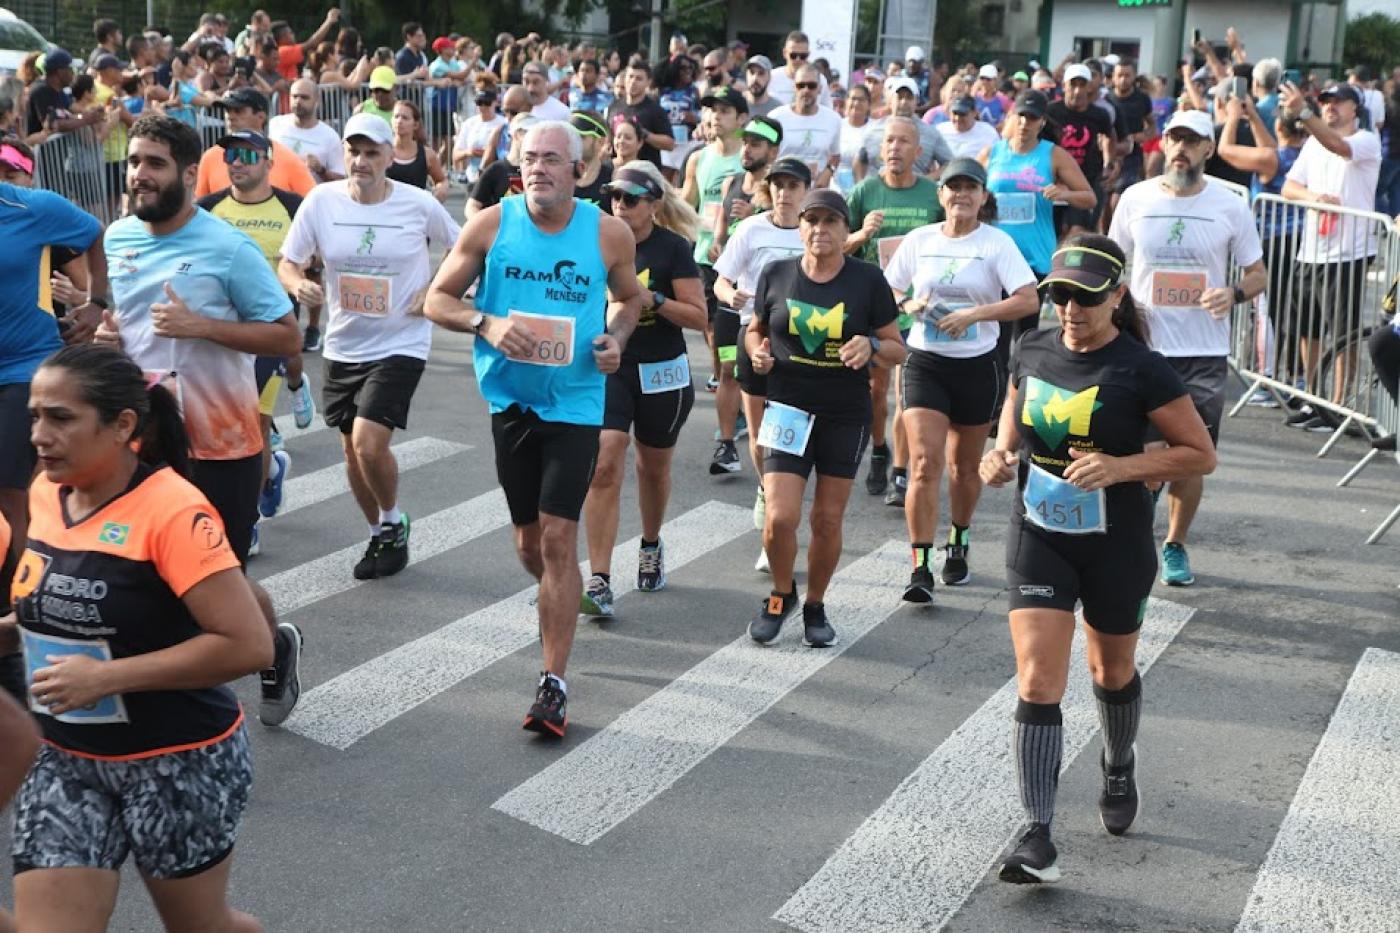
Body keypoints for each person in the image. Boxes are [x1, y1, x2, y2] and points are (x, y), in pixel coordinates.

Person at [5, 343, 271, 931]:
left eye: (61, 418)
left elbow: (248, 644)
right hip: (66, 759)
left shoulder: (173, 510)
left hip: (177, 760)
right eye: (34, 416)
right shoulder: (48, 491)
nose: (39, 435)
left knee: (201, 927)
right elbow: (48, 609)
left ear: (123, 424)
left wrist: (105, 678)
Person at [980, 236, 1216, 885]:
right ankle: (1037, 830)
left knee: (1111, 670)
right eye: (1060, 296)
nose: (1070, 310)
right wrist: (997, 454)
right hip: (1040, 530)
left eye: (1085, 298)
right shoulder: (1030, 345)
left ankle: (1117, 762)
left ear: (1116, 296)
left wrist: (1123, 466)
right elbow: (1014, 405)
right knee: (1037, 678)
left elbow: (1199, 453)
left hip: (1117, 541)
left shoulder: (1142, 368)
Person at [425, 121, 645, 737]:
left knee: (556, 540)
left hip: (575, 405)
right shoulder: (492, 224)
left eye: (553, 159)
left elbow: (629, 301)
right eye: (530, 160)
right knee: (531, 548)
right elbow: (435, 299)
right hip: (511, 405)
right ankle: (558, 599)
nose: (540, 169)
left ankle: (553, 683)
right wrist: (484, 323)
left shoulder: (608, 233)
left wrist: (616, 339)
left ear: (580, 170)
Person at [278, 113, 458, 582]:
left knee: (368, 441)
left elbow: (464, 250)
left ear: (387, 158)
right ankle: (380, 529)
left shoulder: (417, 205)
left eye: (371, 152)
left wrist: (435, 287)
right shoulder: (320, 201)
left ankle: (394, 519)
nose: (361, 161)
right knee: (350, 452)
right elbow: (289, 262)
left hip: (403, 339)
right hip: (344, 341)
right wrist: (300, 286)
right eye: (353, 152)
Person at [1109, 109, 1266, 586]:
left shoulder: (1230, 205)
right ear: (1163, 144)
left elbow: (1258, 274)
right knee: (1137, 447)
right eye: (1174, 138)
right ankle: (1132, 535)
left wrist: (1233, 293)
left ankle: (1174, 543)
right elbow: (1113, 264)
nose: (1179, 147)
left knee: (1191, 454)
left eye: (1191, 140)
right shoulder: (1135, 198)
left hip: (1202, 352)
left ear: (1207, 150)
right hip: (1143, 346)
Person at [744, 188, 905, 645]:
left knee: (827, 520)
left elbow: (898, 348)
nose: (820, 229)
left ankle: (814, 603)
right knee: (779, 517)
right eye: (811, 220)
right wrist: (757, 352)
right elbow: (757, 328)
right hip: (788, 408)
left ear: (844, 229)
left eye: (830, 221)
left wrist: (871, 346)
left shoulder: (867, 280)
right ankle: (780, 594)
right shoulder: (776, 273)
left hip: (843, 413)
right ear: (800, 228)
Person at [883, 157, 1039, 601]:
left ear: (983, 197)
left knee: (962, 468)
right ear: (941, 195)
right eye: (954, 188)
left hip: (977, 363)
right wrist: (909, 305)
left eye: (971, 188)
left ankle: (959, 538)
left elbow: (1028, 300)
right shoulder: (920, 240)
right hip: (926, 361)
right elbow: (888, 288)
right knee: (923, 464)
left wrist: (975, 313)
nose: (961, 195)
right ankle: (920, 567)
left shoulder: (997, 243)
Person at [579, 162, 706, 616]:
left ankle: (650, 543)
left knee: (652, 468)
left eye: (631, 199)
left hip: (662, 371)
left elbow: (698, 316)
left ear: (653, 205)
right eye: (614, 196)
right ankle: (599, 577)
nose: (620, 205)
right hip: (612, 366)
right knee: (605, 460)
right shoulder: (596, 241)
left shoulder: (673, 249)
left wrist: (653, 298)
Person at [197, 130, 315, 557]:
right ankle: (270, 473)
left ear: (268, 161)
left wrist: (306, 284)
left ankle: (245, 521)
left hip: (268, 329)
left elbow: (311, 257)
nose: (236, 162)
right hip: (217, 332)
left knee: (254, 424)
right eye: (229, 154)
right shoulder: (207, 209)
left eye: (246, 155)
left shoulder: (292, 207)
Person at [0, 157, 105, 596]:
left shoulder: (30, 207)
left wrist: (97, 302)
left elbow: (96, 234)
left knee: (9, 500)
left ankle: (14, 609)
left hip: (26, 370)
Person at [844, 117, 945, 501]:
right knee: (875, 390)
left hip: (915, 308)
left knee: (905, 394)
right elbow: (836, 248)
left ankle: (901, 472)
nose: (894, 148)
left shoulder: (932, 194)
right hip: (873, 305)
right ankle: (880, 449)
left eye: (903, 142)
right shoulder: (864, 192)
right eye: (889, 141)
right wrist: (863, 234)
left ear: (918, 152)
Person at [981, 89, 1096, 405]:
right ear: (1011, 117)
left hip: (1035, 257)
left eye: (1032, 118)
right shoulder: (993, 153)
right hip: (997, 255)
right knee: (997, 336)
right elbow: (968, 188)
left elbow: (1089, 196)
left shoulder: (1053, 154)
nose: (1024, 123)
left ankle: (1022, 401)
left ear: (1041, 121)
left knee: (1026, 337)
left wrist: (1063, 192)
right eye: (1020, 116)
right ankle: (995, 405)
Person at [1279, 80, 1382, 430]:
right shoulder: (1312, 143)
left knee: (1343, 332)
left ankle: (1337, 405)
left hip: (1349, 252)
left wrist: (1304, 113)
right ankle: (1314, 397)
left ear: (1356, 107)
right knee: (1307, 329)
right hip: (1311, 249)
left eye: (1339, 101)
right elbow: (1289, 186)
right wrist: (1313, 197)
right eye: (1325, 101)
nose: (1330, 106)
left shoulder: (1365, 140)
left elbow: (1338, 145)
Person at [713, 156, 810, 527]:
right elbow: (722, 279)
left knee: (791, 428)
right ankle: (767, 491)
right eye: (778, 185)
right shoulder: (751, 229)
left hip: (803, 339)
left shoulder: (812, 230)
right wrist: (728, 296)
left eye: (793, 186)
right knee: (758, 432)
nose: (784, 193)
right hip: (754, 333)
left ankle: (784, 496)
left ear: (806, 190)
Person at [195, 87, 315, 198]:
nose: (230, 116)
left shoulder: (288, 159)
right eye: (227, 110)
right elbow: (197, 205)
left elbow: (312, 203)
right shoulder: (210, 157)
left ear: (261, 117)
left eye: (238, 111)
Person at [1048, 63, 1119, 236]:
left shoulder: (1099, 114)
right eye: (1073, 84)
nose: (1077, 91)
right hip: (1054, 181)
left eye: (1082, 85)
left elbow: (1110, 136)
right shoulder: (1050, 111)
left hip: (1085, 181)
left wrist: (1110, 162)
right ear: (1064, 86)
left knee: (1078, 232)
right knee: (1055, 232)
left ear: (1089, 87)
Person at [771, 64, 842, 187]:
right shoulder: (776, 117)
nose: (806, 90)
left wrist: (828, 171)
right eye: (801, 86)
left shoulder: (833, 119)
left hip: (816, 191)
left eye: (811, 86)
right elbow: (765, 154)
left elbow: (835, 155)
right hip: (784, 188)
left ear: (819, 88)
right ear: (794, 87)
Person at [268, 77, 346, 183]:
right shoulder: (275, 124)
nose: (298, 101)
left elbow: (341, 180)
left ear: (317, 100)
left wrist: (321, 170)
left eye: (304, 98)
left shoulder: (330, 137)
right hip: (277, 194)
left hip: (311, 196)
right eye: (294, 96)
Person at [607, 59, 675, 169]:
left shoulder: (655, 110)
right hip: (616, 170)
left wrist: (644, 134)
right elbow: (608, 136)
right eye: (630, 77)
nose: (633, 82)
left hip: (644, 172)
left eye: (639, 78)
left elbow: (670, 144)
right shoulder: (614, 106)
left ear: (648, 82)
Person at [468, 112, 535, 216]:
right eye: (528, 133)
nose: (534, 138)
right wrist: (487, 229)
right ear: (516, 135)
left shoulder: (539, 169)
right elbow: (472, 206)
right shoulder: (496, 170)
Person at [385, 99, 449, 200]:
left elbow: (441, 180)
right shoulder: (381, 150)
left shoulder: (427, 154)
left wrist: (440, 191)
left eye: (405, 118)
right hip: (387, 210)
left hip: (415, 211)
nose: (399, 121)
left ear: (415, 125)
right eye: (396, 116)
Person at [454, 78, 506, 187]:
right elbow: (456, 155)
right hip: (473, 178)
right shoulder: (469, 124)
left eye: (486, 102)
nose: (482, 107)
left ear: (496, 102)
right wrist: (469, 152)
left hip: (498, 177)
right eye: (479, 102)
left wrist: (490, 153)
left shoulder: (504, 123)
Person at [271, 8, 341, 83]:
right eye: (290, 33)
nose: (293, 34)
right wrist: (329, 21)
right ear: (282, 37)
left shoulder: (284, 52)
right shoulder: (283, 51)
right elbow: (312, 43)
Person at [767, 31, 833, 108]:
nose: (798, 60)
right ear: (785, 53)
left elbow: (827, 109)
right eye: (793, 55)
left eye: (803, 56)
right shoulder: (772, 77)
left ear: (808, 54)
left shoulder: (820, 79)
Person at [570, 110, 614, 209]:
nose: (573, 142)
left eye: (580, 137)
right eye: (570, 136)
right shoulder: (558, 177)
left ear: (600, 142)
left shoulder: (613, 180)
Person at [836, 83, 873, 193]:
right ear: (846, 102)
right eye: (853, 99)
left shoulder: (876, 129)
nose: (856, 103)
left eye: (861, 100)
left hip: (867, 187)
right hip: (837, 187)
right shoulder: (837, 126)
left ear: (869, 104)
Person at [938, 95, 1001, 159]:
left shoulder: (988, 132)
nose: (957, 118)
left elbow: (998, 158)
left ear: (974, 113)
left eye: (962, 114)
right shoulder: (940, 130)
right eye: (955, 113)